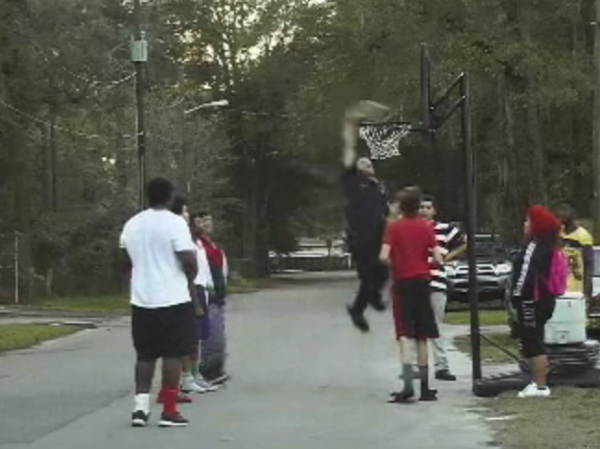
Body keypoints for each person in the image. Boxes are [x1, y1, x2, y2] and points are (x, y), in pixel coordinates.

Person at [120, 178, 198, 428]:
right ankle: (169, 410)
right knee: (173, 354)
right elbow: (188, 259)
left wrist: (139, 276)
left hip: (142, 298)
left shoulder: (133, 223)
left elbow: (123, 260)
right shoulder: (175, 223)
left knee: (145, 355)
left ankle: (140, 408)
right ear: (170, 197)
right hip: (172, 297)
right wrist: (190, 276)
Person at [380, 187, 444, 403]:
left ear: (401, 206)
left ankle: (408, 385)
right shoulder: (426, 228)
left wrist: (396, 264)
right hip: (422, 282)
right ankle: (426, 387)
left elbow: (383, 256)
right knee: (422, 334)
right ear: (418, 207)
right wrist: (428, 262)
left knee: (404, 333)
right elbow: (438, 257)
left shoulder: (394, 228)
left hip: (402, 282)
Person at [511, 205, 562, 398]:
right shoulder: (547, 246)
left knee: (532, 342)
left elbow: (526, 275)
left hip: (531, 300)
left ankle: (540, 386)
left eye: (527, 221)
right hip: (541, 299)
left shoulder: (534, 247)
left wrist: (517, 296)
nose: (524, 225)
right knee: (533, 339)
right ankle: (537, 382)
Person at [170, 197, 218, 396]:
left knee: (198, 337)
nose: (189, 215)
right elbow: (187, 269)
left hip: (201, 289)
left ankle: (195, 374)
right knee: (188, 338)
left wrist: (210, 286)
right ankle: (186, 377)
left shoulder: (197, 241)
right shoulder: (181, 239)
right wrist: (194, 297)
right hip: (190, 290)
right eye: (185, 212)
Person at [342, 144, 389, 333]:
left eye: (369, 164)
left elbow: (385, 210)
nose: (366, 167)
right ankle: (357, 310)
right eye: (362, 165)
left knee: (383, 273)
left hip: (378, 236)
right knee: (369, 277)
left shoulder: (377, 188)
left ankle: (373, 298)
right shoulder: (354, 186)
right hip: (361, 239)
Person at [419, 195, 467, 381]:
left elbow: (464, 242)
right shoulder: (413, 228)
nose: (424, 210)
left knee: (436, 325)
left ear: (434, 210)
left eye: (428, 207)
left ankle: (442, 366)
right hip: (417, 281)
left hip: (437, 281)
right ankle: (419, 365)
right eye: (421, 207)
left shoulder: (445, 229)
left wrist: (448, 258)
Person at [194, 211, 230, 385]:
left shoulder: (214, 244)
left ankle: (216, 368)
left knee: (218, 333)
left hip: (218, 292)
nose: (206, 223)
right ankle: (208, 369)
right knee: (211, 336)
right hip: (207, 294)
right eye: (201, 220)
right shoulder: (197, 245)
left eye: (209, 219)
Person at [555, 204, 594, 300]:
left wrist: (587, 290)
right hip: (559, 286)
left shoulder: (583, 236)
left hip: (577, 286)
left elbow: (588, 264)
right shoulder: (557, 234)